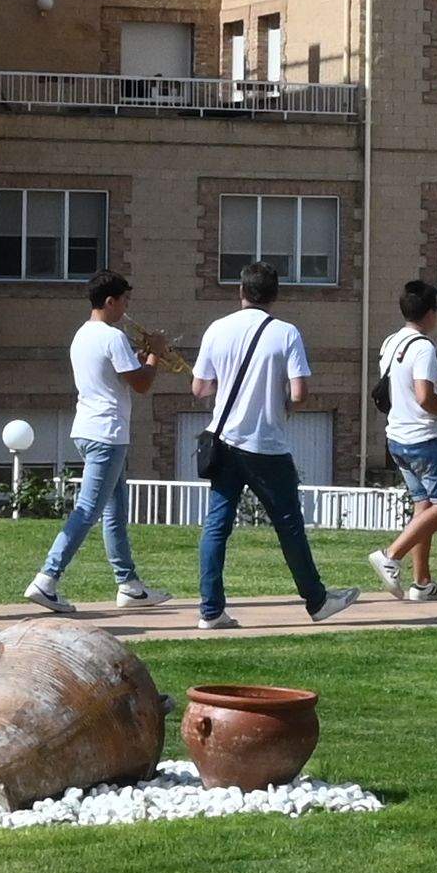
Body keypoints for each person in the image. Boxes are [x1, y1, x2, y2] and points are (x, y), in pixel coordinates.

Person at [187, 265, 346, 627]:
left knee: (216, 525)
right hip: (266, 444)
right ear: (275, 294)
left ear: (240, 290)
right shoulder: (286, 333)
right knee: (288, 524)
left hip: (224, 440)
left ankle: (210, 610)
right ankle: (316, 600)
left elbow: (199, 389)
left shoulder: (217, 328)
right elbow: (299, 392)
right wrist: (283, 401)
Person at [23, 271, 163, 615]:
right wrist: (155, 355)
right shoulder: (111, 337)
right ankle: (47, 578)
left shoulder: (82, 335)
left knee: (115, 510)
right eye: (125, 302)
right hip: (107, 433)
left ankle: (129, 584)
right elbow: (142, 384)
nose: (127, 310)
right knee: (88, 511)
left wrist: (141, 355)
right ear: (110, 301)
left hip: (89, 429)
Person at [370, 276, 437, 604]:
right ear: (428, 313)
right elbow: (425, 397)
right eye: (436, 309)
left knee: (423, 506)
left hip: (397, 437)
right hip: (425, 438)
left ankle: (422, 583)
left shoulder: (390, 342)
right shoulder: (423, 348)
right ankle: (391, 555)